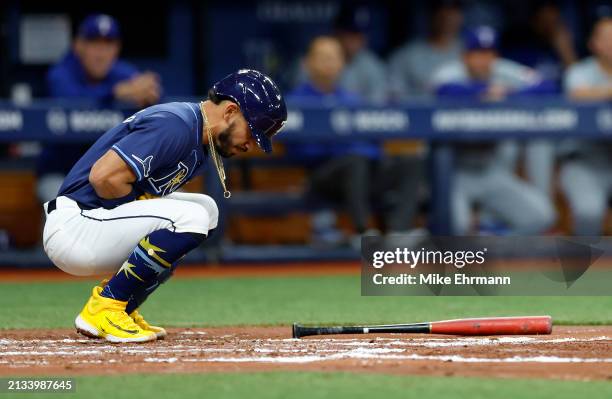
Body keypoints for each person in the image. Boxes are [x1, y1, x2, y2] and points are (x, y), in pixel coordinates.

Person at [42, 69, 287, 342]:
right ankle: (106, 306)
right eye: (252, 133)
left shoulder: (201, 140)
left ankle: (123, 306)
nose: (251, 145)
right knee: (189, 218)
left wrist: (140, 211)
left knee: (207, 211)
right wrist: (138, 209)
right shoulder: (177, 124)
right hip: (76, 225)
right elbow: (104, 177)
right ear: (230, 111)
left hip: (96, 222)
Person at [288, 36, 420, 245]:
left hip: (363, 173)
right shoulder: (296, 101)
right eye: (323, 57)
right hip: (323, 178)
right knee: (355, 159)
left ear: (342, 63)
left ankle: (399, 231)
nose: (329, 63)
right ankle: (363, 231)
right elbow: (299, 152)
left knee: (410, 162)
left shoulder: (352, 100)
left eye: (334, 58)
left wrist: (343, 144)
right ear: (308, 63)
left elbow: (374, 144)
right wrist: (340, 146)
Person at [430, 26, 556, 235]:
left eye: (488, 54)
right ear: (465, 56)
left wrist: (509, 94)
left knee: (542, 216)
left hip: (492, 171)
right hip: (455, 174)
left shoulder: (503, 71)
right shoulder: (449, 72)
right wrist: (484, 92)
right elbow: (445, 89)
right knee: (457, 227)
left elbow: (547, 86)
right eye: (477, 53)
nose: (483, 60)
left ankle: (491, 242)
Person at [37, 14, 162, 203]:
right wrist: (116, 92)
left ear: (117, 48)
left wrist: (149, 94)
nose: (101, 52)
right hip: (63, 172)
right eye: (94, 43)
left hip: (111, 174)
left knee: (166, 202)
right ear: (78, 46)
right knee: (61, 209)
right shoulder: (61, 73)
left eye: (108, 44)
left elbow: (153, 95)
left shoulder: (122, 72)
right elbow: (73, 100)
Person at [561, 17, 612, 235]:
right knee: (589, 214)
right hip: (585, 161)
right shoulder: (578, 72)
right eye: (607, 38)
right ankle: (582, 267)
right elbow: (577, 94)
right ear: (593, 43)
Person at [387, 1, 464, 99]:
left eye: (453, 13)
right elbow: (394, 96)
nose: (447, 19)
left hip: (462, 113)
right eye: (441, 13)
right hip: (418, 112)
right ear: (431, 16)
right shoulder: (407, 55)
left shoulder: (473, 53)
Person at [334, 5, 388, 103]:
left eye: (360, 35)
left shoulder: (372, 65)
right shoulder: (320, 62)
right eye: (351, 35)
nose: (356, 41)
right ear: (338, 33)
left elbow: (379, 104)